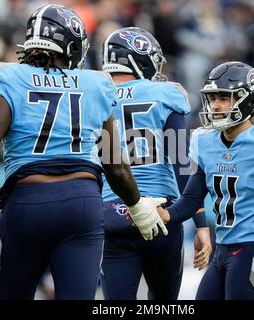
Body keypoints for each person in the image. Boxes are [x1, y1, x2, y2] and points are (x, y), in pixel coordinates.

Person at [0, 5, 167, 300]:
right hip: (81, 204)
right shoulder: (96, 83)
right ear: (72, 46)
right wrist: (137, 207)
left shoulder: (10, 77)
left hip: (27, 203)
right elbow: (114, 163)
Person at [157, 61, 254, 300]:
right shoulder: (207, 142)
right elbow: (191, 199)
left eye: (224, 98)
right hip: (222, 251)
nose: (216, 105)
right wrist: (164, 214)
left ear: (248, 100)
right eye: (213, 98)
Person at [99, 27, 212, 300]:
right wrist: (201, 224)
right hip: (162, 212)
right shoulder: (164, 94)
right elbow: (181, 161)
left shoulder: (94, 93)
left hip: (112, 211)